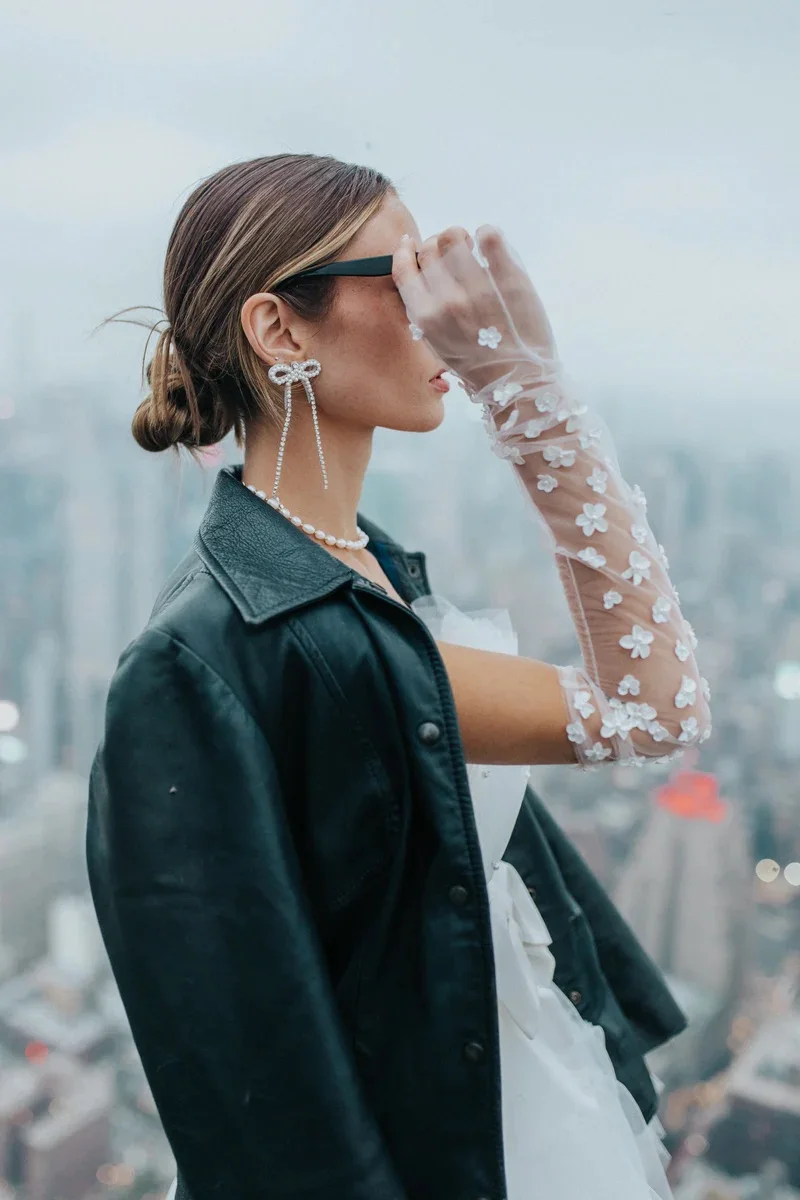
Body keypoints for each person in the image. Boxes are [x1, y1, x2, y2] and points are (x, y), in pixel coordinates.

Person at [86, 153, 712, 1200]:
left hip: (524, 1119)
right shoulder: (202, 654)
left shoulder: (366, 579)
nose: (441, 312)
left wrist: (526, 390)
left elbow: (653, 708)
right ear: (280, 331)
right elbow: (246, 1069)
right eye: (405, 276)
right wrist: (525, 399)